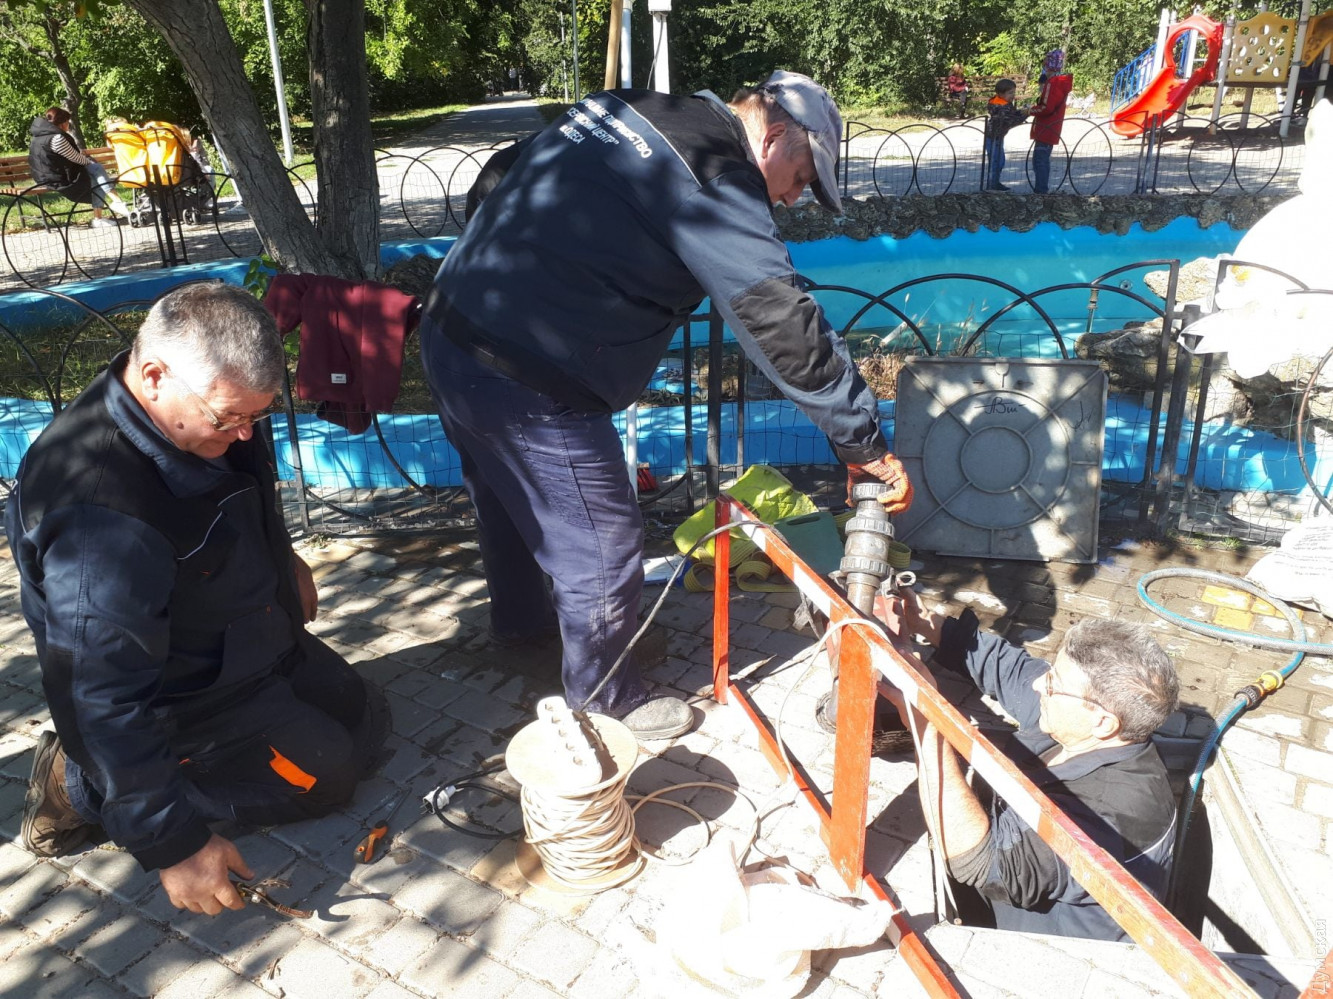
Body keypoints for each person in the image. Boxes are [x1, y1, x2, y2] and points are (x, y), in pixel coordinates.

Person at [420, 70, 914, 743]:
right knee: (602, 541)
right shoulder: (714, 176)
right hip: (526, 376)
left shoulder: (630, 105)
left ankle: (526, 629)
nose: (793, 198)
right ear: (772, 136)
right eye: (800, 178)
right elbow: (777, 316)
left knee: (507, 500)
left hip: (451, 331)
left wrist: (524, 268)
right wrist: (862, 443)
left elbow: (502, 172)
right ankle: (605, 700)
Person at [9, 283, 389, 917]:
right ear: (155, 376)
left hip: (237, 637)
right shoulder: (102, 519)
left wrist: (282, 558)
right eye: (228, 418)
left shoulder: (204, 411)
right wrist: (174, 843)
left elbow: (240, 489)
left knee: (360, 712)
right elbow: (98, 694)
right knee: (328, 776)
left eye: (257, 417)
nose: (244, 435)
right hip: (177, 693)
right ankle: (80, 784)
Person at [892, 590, 1179, 940]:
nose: (1039, 684)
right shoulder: (1085, 726)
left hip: (1045, 953)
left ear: (1104, 722)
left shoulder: (1108, 816)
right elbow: (1010, 670)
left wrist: (926, 721)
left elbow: (977, 862)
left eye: (1054, 683)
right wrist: (926, 623)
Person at [26, 106, 129, 226]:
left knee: (95, 175)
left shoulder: (39, 136)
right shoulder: (56, 138)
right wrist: (91, 162)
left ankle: (101, 217)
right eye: (68, 122)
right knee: (96, 169)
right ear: (63, 123)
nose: (69, 125)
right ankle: (115, 203)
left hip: (45, 176)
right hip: (55, 179)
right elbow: (77, 159)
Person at [1030, 50, 1074, 194]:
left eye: (1045, 65)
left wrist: (1030, 110)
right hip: (1050, 126)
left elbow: (1047, 108)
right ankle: (1041, 189)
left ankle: (1041, 191)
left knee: (1040, 160)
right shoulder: (1058, 82)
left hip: (1047, 127)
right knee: (1040, 159)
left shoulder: (1053, 83)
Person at [983, 79, 1027, 192]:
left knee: (998, 160)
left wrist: (1021, 112)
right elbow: (1012, 120)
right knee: (997, 161)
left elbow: (1011, 115)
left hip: (997, 136)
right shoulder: (1002, 106)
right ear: (1001, 94)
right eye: (1010, 93)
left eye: (1014, 92)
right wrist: (1025, 114)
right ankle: (992, 185)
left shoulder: (1000, 103)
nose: (1013, 95)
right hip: (994, 136)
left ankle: (994, 182)